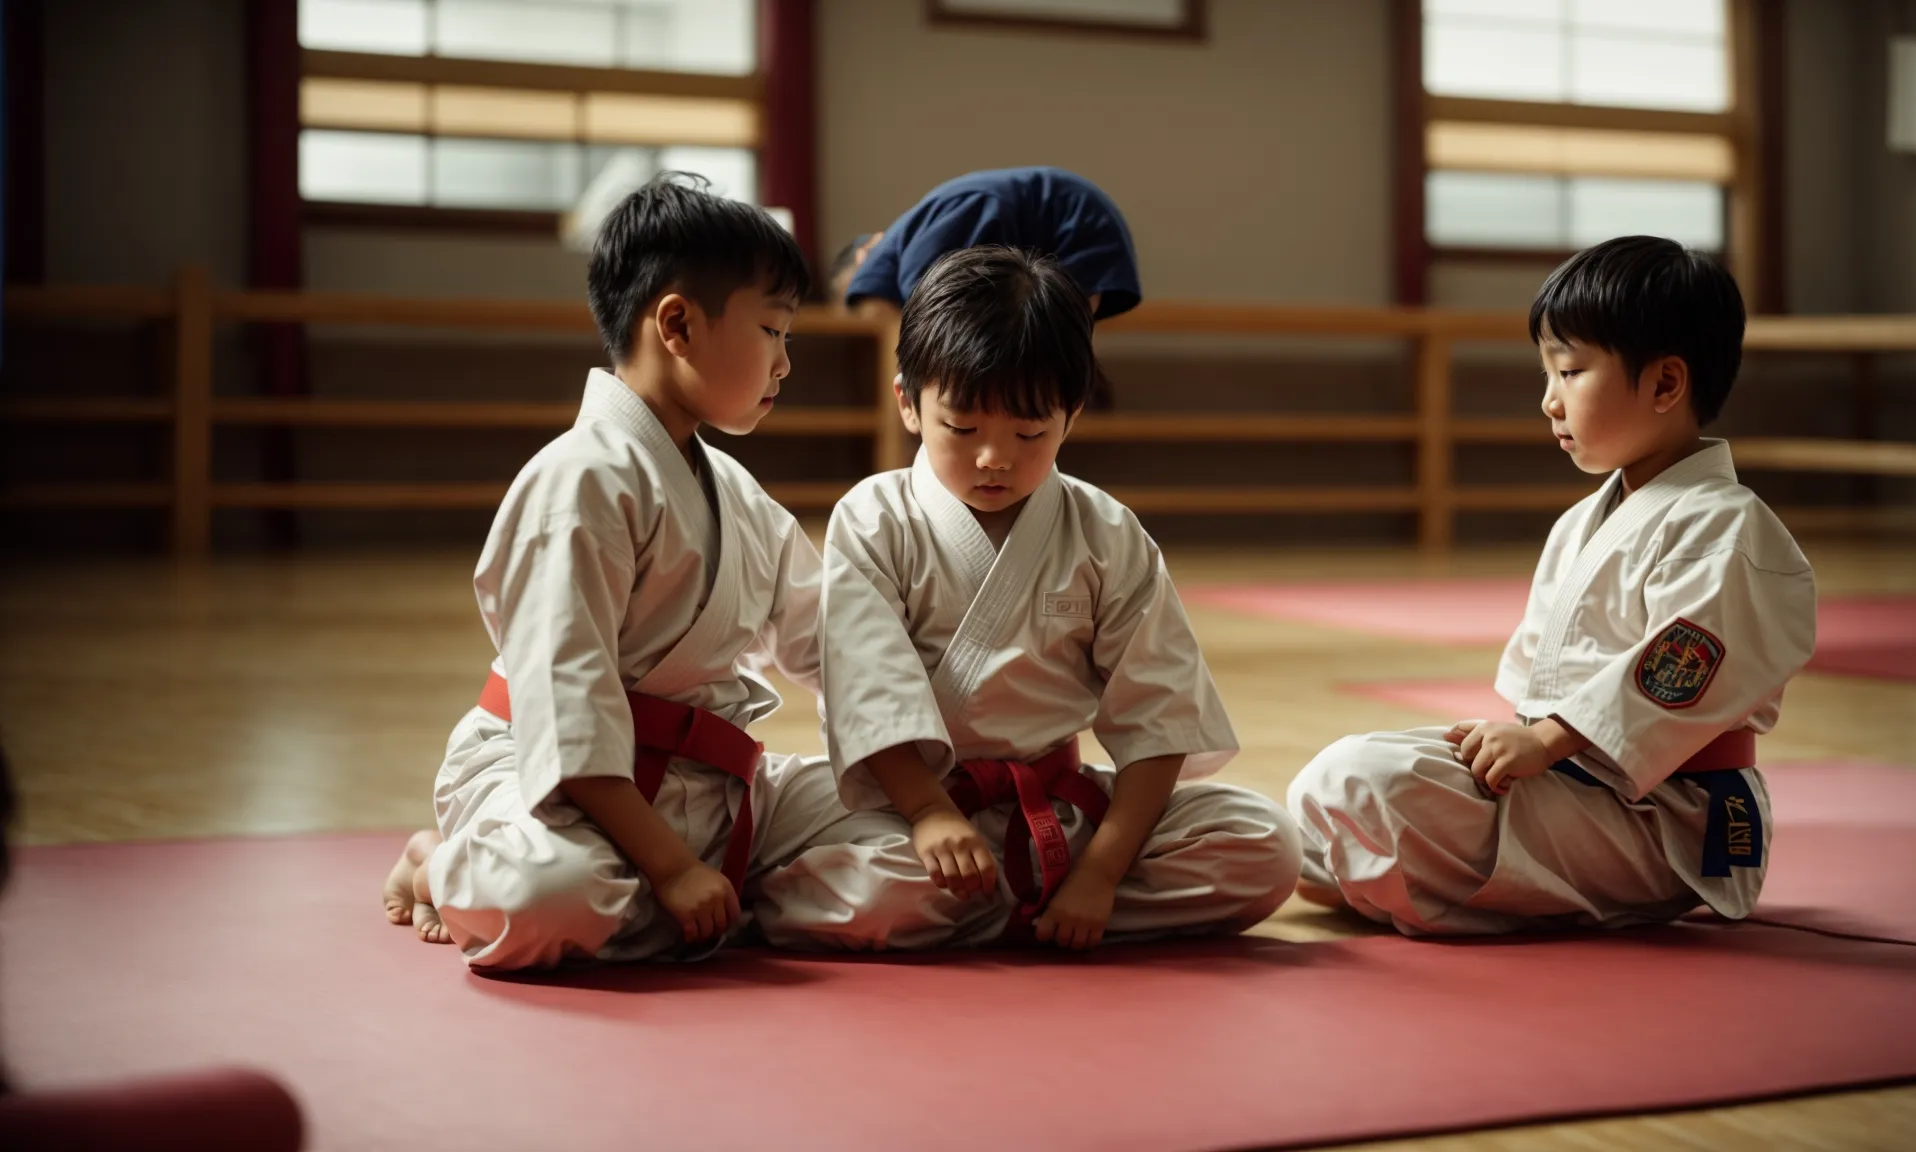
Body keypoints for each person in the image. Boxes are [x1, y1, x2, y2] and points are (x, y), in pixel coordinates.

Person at [379, 173, 867, 970]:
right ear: (676, 323)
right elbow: (567, 710)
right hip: (561, 785)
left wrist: (944, 759)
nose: (786, 362)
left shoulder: (734, 492)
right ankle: (436, 863)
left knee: (910, 844)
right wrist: (673, 868)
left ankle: (695, 892)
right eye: (774, 331)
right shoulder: (578, 482)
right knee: (553, 897)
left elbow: (836, 641)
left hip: (703, 785)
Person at [758, 245, 1299, 951]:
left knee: (1263, 845)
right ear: (909, 404)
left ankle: (1023, 898)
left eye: (1029, 431)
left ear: (1070, 416)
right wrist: (928, 813)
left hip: (1057, 812)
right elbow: (869, 697)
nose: (994, 457)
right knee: (877, 886)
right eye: (963, 427)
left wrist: (1102, 872)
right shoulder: (875, 518)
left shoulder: (1105, 532)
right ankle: (1033, 896)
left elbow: (1162, 718)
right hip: (913, 814)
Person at [1288, 235, 1817, 936]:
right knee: (1333, 789)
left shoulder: (1725, 528)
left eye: (1569, 373)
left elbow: (1680, 670)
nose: (1548, 402)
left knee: (1367, 784)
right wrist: (1516, 742)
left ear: (1664, 384)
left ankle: (1420, 876)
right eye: (1547, 375)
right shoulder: (1583, 522)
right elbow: (1543, 678)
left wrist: (1548, 742)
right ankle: (1407, 871)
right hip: (1580, 788)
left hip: (1674, 820)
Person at [830, 167, 1140, 322]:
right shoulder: (928, 227)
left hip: (1073, 219)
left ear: (864, 254)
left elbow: (917, 307)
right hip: (1082, 219)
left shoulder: (904, 248)